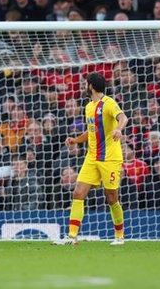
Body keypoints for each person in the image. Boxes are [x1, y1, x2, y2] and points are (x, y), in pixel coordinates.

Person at [54, 73, 128, 246]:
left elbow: (123, 118)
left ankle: (119, 236)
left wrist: (118, 129)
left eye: (85, 84)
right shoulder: (88, 107)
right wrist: (75, 140)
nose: (84, 86)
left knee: (111, 198)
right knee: (78, 193)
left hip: (110, 158)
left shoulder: (109, 103)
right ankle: (72, 237)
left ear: (91, 86)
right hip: (91, 157)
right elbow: (91, 131)